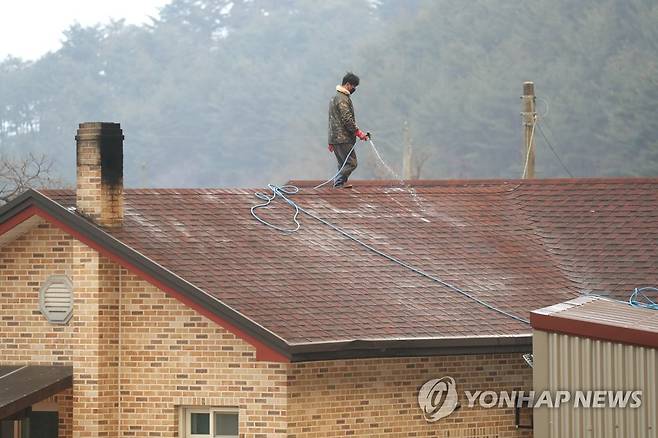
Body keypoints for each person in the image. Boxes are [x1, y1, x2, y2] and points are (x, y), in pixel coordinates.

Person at [328, 72, 370, 188]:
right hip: (343, 138)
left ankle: (339, 185)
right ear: (347, 84)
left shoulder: (334, 98)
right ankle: (338, 183)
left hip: (335, 138)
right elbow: (347, 119)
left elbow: (331, 121)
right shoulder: (342, 99)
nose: (354, 89)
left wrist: (330, 141)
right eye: (353, 86)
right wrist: (358, 132)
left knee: (342, 164)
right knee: (351, 163)